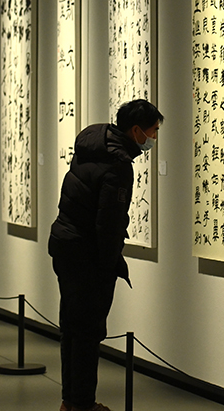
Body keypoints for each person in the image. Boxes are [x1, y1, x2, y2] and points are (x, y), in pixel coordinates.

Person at [48, 99, 163, 411]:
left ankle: (71, 401)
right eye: (153, 131)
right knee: (87, 331)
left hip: (65, 245)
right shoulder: (117, 165)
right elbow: (108, 224)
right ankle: (82, 403)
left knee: (71, 329)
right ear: (137, 130)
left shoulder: (92, 149)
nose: (154, 138)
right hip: (85, 255)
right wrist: (109, 263)